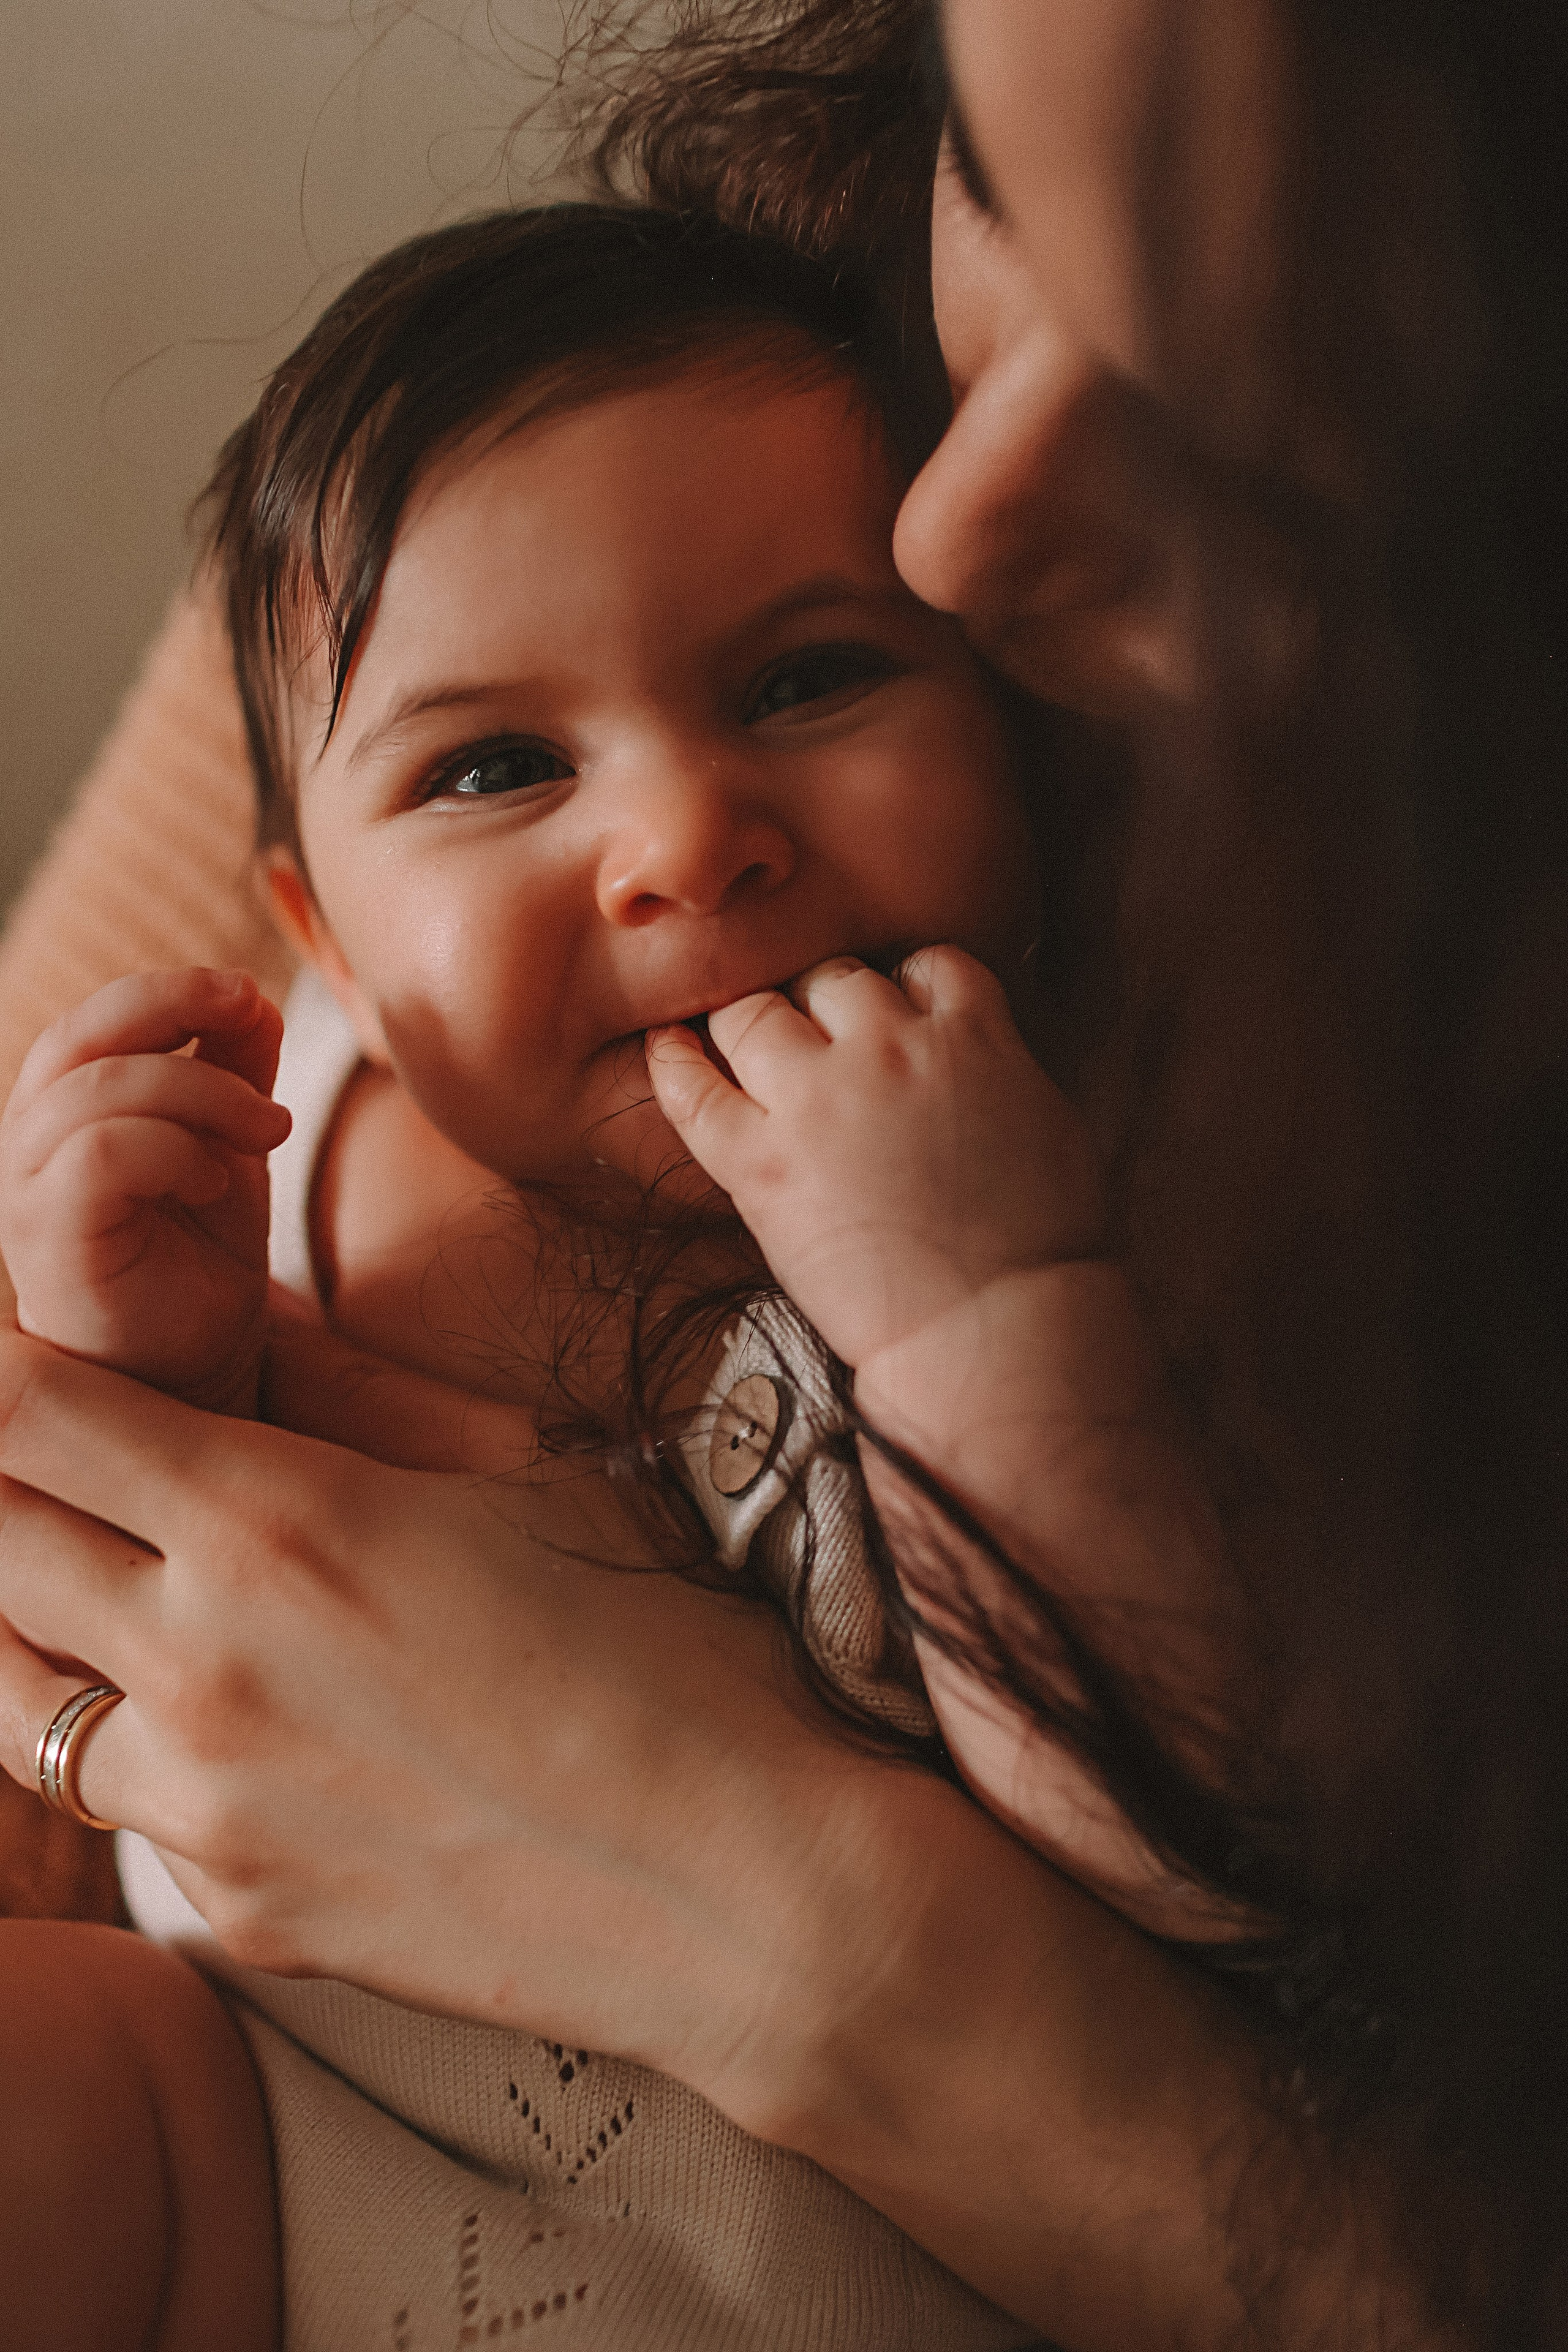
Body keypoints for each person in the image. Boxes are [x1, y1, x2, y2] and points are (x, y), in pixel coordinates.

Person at [0, 0, 1559, 2342]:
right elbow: (109, 1679)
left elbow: (1222, 1839)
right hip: (266, 2138)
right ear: (309, 921)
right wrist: (135, 1354)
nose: (682, 840)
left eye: (816, 678)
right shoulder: (305, 1086)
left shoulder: (1092, 1171)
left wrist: (981, 1323)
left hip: (815, 2253)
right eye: (499, 765)